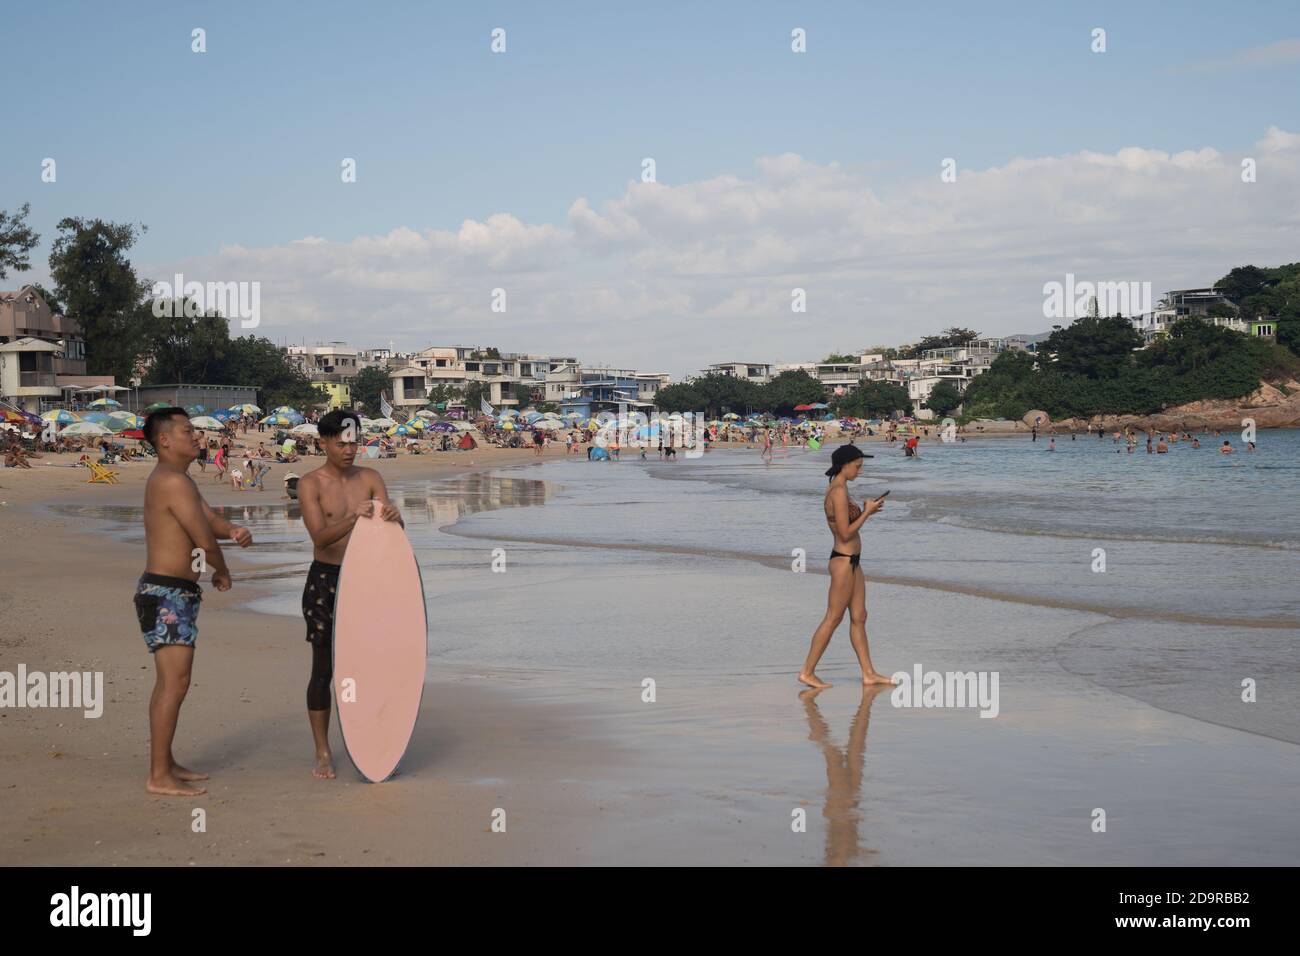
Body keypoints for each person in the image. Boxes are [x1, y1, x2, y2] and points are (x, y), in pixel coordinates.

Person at [136, 408, 252, 796]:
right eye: (188, 431)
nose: (196, 436)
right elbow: (202, 537)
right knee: (175, 683)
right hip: (166, 592)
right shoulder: (170, 482)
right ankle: (158, 775)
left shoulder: (179, 480)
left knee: (171, 683)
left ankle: (165, 762)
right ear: (164, 439)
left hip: (174, 593)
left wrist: (233, 528)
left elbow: (209, 520)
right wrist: (223, 571)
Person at [296, 410, 404, 780]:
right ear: (323, 442)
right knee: (324, 668)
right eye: (340, 443)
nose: (348, 450)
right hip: (326, 580)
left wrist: (394, 517)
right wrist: (354, 518)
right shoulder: (310, 484)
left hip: (369, 581)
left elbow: (392, 534)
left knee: (374, 666)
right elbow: (320, 537)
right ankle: (323, 751)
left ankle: (373, 740)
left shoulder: (371, 477)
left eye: (354, 442)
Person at [799, 444, 892, 689]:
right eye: (857, 466)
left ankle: (868, 673)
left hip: (853, 562)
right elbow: (845, 532)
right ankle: (807, 672)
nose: (860, 471)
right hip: (842, 560)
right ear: (845, 465)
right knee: (833, 617)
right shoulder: (838, 491)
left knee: (860, 616)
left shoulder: (842, 488)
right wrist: (867, 513)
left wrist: (864, 510)